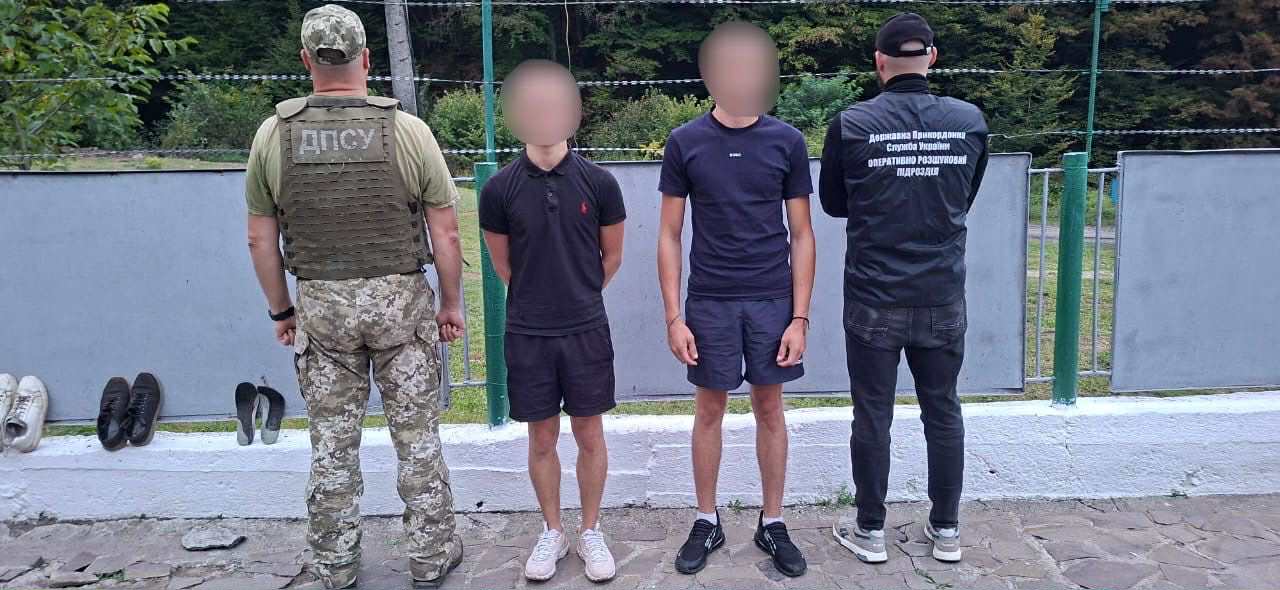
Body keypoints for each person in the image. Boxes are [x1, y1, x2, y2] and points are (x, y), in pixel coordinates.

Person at [243, 5, 466, 588]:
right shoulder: (409, 131)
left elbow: (260, 239)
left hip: (322, 311)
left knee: (332, 447)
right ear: (366, 59)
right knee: (417, 440)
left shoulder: (273, 135)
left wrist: (282, 310)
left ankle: (336, 564)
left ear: (306, 60)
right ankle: (429, 555)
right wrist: (450, 305)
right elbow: (445, 234)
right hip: (401, 310)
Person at [819, 12, 989, 565]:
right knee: (943, 410)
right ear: (932, 57)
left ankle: (870, 530)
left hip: (874, 295)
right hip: (941, 293)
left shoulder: (852, 123)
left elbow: (834, 204)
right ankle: (947, 530)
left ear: (879, 62)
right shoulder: (968, 121)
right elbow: (964, 196)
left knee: (873, 414)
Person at [658, 21, 816, 579]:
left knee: (770, 409)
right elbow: (669, 234)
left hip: (772, 299)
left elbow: (802, 234)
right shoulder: (685, 142)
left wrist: (799, 316)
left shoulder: (787, 142)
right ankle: (707, 519)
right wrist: (674, 316)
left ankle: (773, 522)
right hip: (710, 300)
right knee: (709, 410)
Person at [479, 59, 626, 584]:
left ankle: (590, 530)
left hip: (586, 328)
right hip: (528, 332)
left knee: (589, 432)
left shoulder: (600, 182)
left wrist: (576, 295)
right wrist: (539, 300)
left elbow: (611, 257)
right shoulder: (498, 189)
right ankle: (553, 531)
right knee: (541, 438)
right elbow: (503, 266)